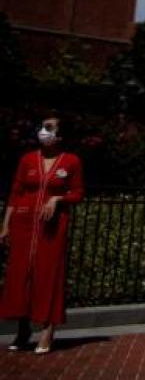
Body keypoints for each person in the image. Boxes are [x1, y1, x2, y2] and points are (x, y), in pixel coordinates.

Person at [0, 118, 83, 354]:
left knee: (48, 275)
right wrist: (6, 225)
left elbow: (78, 192)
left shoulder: (71, 161)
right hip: (24, 224)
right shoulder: (27, 159)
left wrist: (58, 199)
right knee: (21, 274)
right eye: (42, 127)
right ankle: (23, 329)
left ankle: (47, 330)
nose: (43, 132)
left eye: (49, 128)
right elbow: (16, 193)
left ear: (60, 135)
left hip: (52, 227)